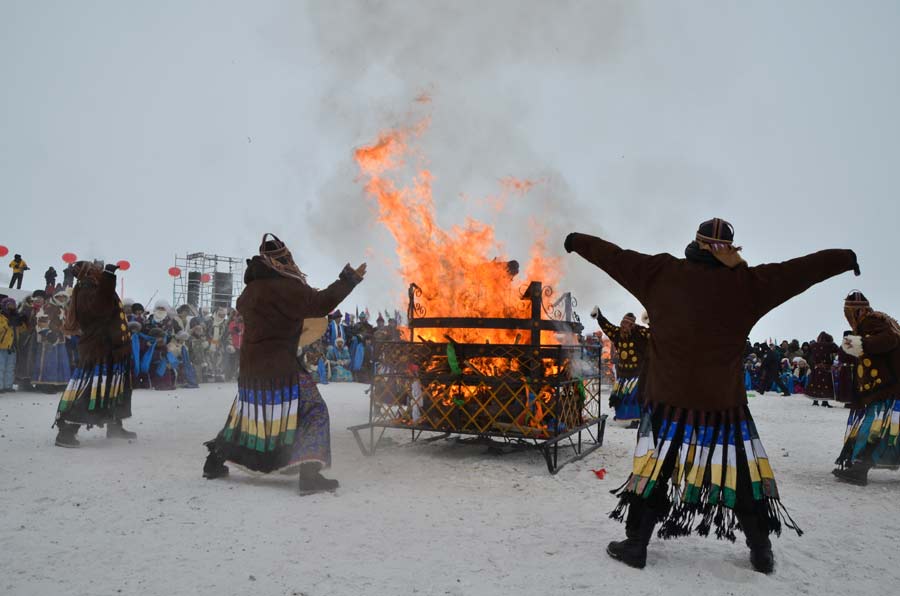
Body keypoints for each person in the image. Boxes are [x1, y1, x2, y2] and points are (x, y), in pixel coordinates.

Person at [565, 217, 858, 573]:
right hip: (722, 406)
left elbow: (615, 256)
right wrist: (842, 258)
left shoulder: (660, 272)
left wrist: (578, 240)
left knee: (655, 471)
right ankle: (760, 550)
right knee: (741, 476)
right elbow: (797, 271)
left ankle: (637, 544)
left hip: (667, 401)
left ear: (696, 243)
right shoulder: (748, 284)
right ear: (729, 249)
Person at [202, 234, 365, 494]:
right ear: (281, 260)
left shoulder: (250, 290)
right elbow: (320, 304)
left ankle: (213, 462)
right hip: (280, 368)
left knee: (249, 415)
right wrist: (348, 280)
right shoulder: (286, 288)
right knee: (315, 411)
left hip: (252, 369)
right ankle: (309, 476)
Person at [54, 262, 135, 447]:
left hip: (113, 350)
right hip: (98, 350)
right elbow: (100, 309)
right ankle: (66, 431)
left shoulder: (96, 289)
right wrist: (108, 277)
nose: (98, 271)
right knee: (88, 390)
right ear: (88, 273)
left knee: (114, 388)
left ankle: (114, 425)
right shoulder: (87, 290)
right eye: (95, 269)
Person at [832, 291, 900, 485]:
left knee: (874, 426)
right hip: (886, 386)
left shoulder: (870, 321)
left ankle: (860, 468)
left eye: (849, 313)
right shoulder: (880, 320)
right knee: (885, 427)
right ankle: (859, 466)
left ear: (858, 311)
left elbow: (890, 340)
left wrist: (861, 344)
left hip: (885, 387)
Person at [591, 308, 648, 427]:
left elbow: (654, 335)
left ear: (632, 325)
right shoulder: (617, 333)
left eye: (626, 324)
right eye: (622, 323)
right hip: (622, 374)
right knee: (621, 397)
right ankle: (622, 417)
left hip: (636, 374)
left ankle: (636, 420)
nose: (623, 326)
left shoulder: (640, 332)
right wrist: (599, 316)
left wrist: (650, 322)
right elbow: (607, 327)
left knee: (634, 397)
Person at [32, 290, 72, 393]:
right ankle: (45, 384)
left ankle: (58, 383)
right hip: (48, 339)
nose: (62, 299)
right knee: (48, 362)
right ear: (55, 297)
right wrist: (48, 333)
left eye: (64, 297)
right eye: (59, 297)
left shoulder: (63, 308)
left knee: (61, 362)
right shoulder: (48, 307)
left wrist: (67, 333)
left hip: (60, 338)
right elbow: (41, 321)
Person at [0, 297, 27, 392]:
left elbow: (22, 330)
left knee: (10, 367)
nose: (12, 307)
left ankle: (8, 385)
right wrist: (8, 323)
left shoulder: (16, 316)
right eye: (9, 305)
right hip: (2, 346)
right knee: (1, 367)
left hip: (13, 346)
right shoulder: (2, 317)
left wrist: (22, 322)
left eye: (13, 305)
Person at [805, 332, 838, 407]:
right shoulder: (830, 345)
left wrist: (813, 364)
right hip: (826, 368)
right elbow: (837, 350)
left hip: (816, 368)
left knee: (816, 383)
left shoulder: (813, 345)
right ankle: (825, 402)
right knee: (826, 384)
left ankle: (815, 401)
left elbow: (807, 355)